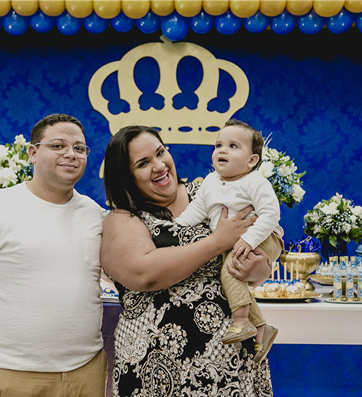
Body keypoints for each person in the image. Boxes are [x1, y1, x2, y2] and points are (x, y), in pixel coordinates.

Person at [101, 125, 275, 396]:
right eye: (143, 163)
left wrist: (259, 267)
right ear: (126, 176)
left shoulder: (212, 190)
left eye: (160, 153)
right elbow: (144, 272)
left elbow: (258, 253)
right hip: (155, 373)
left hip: (229, 364)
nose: (159, 166)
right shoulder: (123, 218)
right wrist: (217, 242)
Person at [0, 114, 107, 396]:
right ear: (33, 152)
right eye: (58, 145)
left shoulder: (95, 214)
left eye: (79, 148)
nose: (71, 154)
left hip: (87, 372)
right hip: (15, 375)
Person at [170, 119, 283, 355]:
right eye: (218, 145)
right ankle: (262, 326)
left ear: (252, 160)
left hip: (264, 237)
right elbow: (196, 210)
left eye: (233, 146)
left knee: (230, 269)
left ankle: (241, 322)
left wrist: (249, 239)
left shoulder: (255, 182)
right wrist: (175, 227)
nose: (222, 150)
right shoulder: (210, 182)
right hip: (232, 241)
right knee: (232, 278)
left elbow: (270, 214)